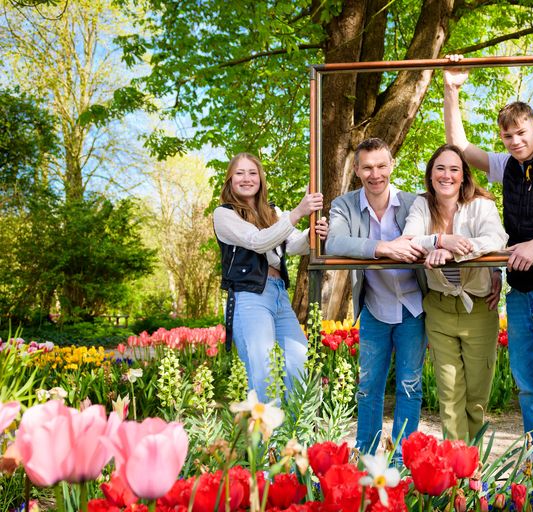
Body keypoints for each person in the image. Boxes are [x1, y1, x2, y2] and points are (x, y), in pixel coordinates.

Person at [443, 56, 533, 461]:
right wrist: (451, 90)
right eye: (507, 136)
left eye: (521, 133)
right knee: (529, 387)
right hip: (520, 292)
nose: (514, 141)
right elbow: (460, 146)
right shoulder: (505, 165)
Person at [325, 138, 429, 461]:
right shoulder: (343, 205)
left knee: (410, 386)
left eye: (382, 166)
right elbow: (334, 243)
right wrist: (383, 248)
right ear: (357, 170)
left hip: (413, 307)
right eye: (367, 167)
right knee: (368, 387)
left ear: (391, 165)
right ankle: (367, 458)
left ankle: (401, 461)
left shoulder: (413, 203)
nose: (375, 174)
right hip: (374, 308)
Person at [403, 144, 507, 441]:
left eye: (454, 169)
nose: (446, 175)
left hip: (480, 307)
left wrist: (454, 252)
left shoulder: (481, 205)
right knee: (449, 395)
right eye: (440, 168)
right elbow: (409, 239)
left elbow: (496, 238)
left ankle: (473, 461)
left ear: (464, 176)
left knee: (476, 396)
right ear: (430, 174)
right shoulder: (422, 205)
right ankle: (456, 465)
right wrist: (439, 240)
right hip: (440, 308)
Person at [213, 152, 328, 401]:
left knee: (300, 365)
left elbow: (294, 245)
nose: (246, 178)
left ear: (261, 178)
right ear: (230, 179)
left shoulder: (272, 212)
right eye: (239, 173)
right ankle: (265, 428)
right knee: (264, 373)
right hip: (249, 296)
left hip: (278, 294)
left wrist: (314, 232)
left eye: (252, 173)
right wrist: (297, 212)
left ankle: (297, 426)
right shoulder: (224, 214)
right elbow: (258, 241)